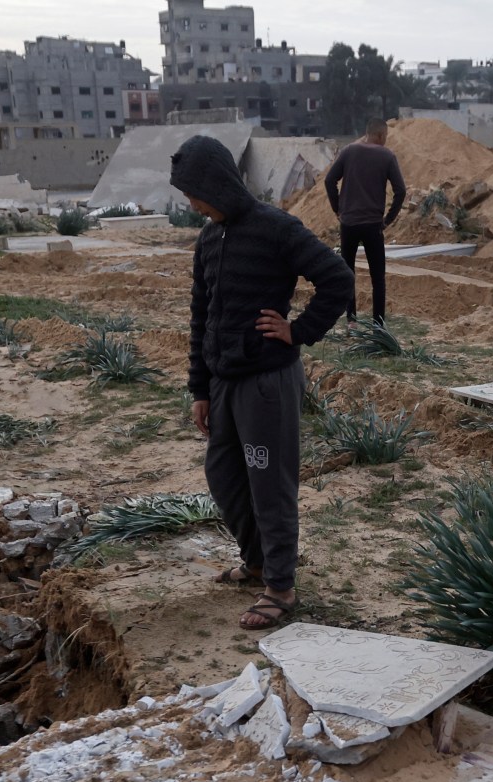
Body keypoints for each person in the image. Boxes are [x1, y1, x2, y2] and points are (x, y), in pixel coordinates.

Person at [172, 134, 353, 631]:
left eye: (192, 191)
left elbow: (337, 279)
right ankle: (256, 563)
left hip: (267, 384)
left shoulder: (276, 229)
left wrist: (298, 331)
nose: (190, 202)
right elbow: (200, 316)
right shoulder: (209, 240)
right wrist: (200, 389)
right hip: (225, 384)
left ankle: (280, 586)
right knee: (225, 478)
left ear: (214, 183)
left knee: (270, 486)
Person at [322, 118, 407, 324]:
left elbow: (329, 180)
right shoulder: (387, 156)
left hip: (348, 224)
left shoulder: (349, 151)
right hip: (373, 225)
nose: (385, 141)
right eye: (385, 136)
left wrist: (338, 210)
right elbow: (401, 191)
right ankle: (378, 325)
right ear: (379, 135)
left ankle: (351, 321)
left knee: (348, 273)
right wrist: (388, 220)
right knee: (378, 278)